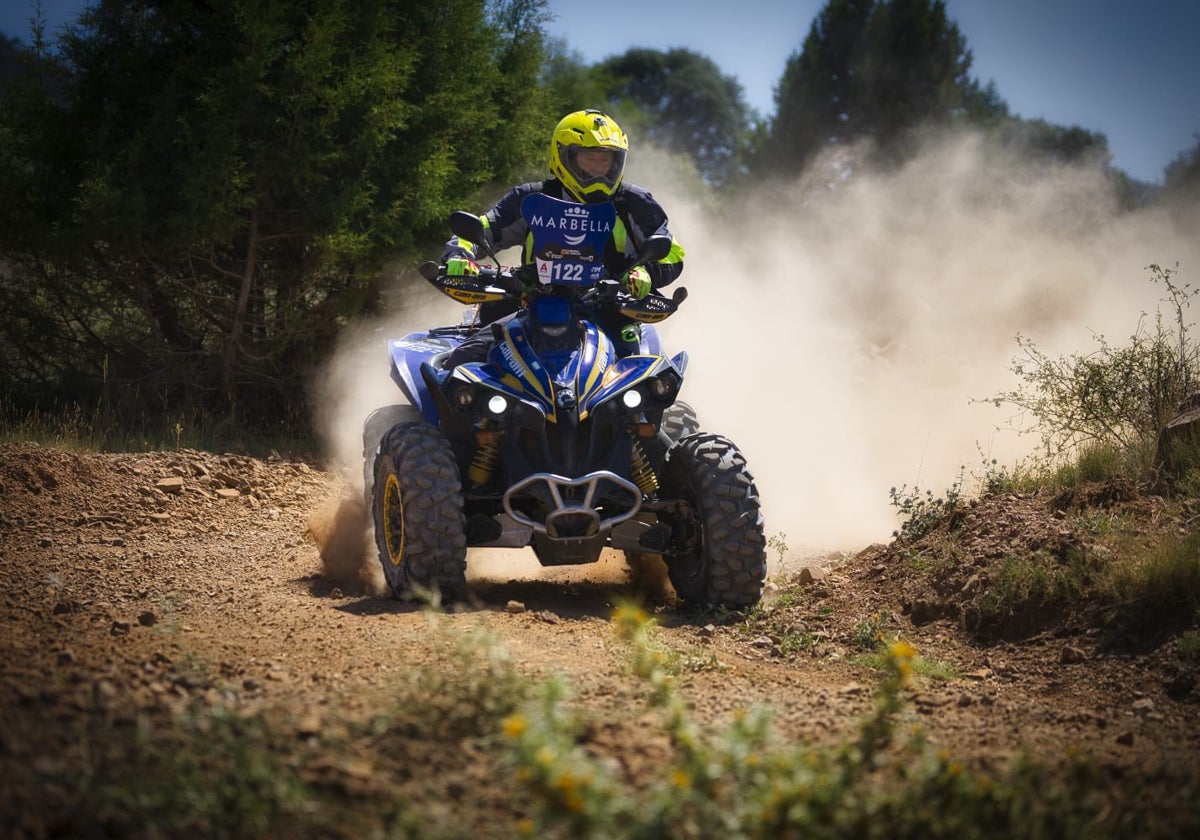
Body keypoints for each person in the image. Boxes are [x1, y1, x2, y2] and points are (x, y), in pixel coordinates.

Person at [441, 109, 685, 364]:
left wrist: (645, 271)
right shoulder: (529, 200)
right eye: (588, 159)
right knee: (461, 363)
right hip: (529, 306)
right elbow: (482, 229)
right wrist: (459, 255)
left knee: (650, 380)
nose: (599, 170)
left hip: (610, 311)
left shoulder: (635, 203)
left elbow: (672, 252)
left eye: (606, 161)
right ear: (563, 156)